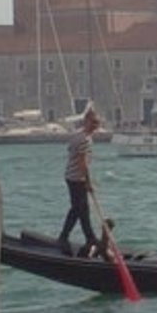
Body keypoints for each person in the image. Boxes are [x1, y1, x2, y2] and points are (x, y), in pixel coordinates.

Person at [58, 108, 102, 254]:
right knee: (77, 209)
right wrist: (88, 181)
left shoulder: (78, 136)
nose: (96, 125)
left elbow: (70, 151)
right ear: (86, 121)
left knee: (83, 210)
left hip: (72, 176)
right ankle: (63, 237)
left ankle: (90, 238)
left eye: (98, 123)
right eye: (93, 122)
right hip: (77, 178)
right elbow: (82, 162)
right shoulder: (84, 139)